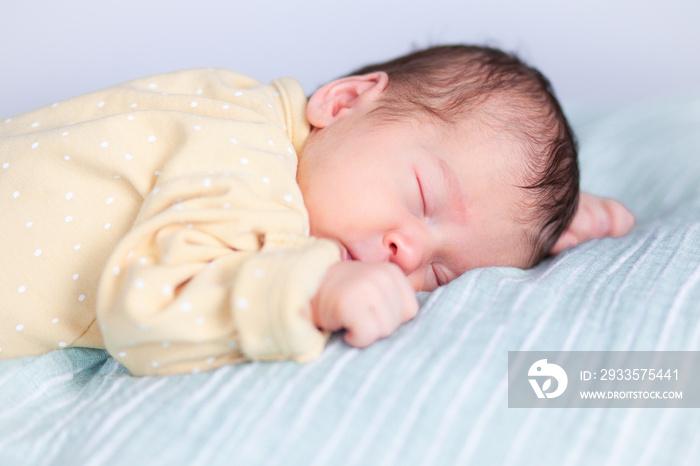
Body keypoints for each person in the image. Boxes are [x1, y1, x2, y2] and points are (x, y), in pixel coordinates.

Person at [0, 45, 634, 375]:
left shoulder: (239, 109)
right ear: (344, 102)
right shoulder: (251, 165)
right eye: (420, 196)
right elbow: (147, 308)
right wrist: (310, 289)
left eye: (442, 273)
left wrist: (534, 222)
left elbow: (486, 202)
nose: (407, 252)